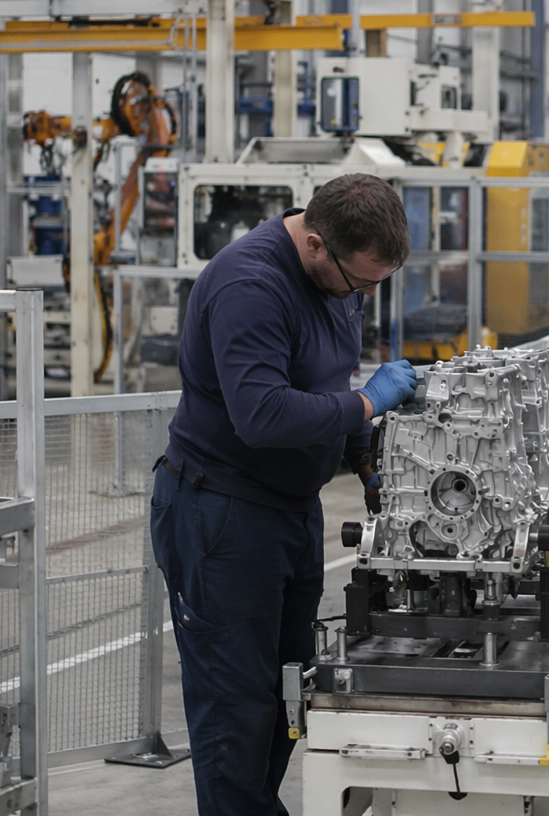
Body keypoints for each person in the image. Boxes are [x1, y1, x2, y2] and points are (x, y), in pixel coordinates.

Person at [150, 173, 419, 815]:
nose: (365, 295)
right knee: (236, 703)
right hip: (224, 514)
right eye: (360, 282)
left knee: (287, 690)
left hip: (291, 511)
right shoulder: (250, 285)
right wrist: (367, 402)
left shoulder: (336, 276)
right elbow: (263, 414)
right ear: (317, 244)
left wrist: (365, 460)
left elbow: (327, 380)